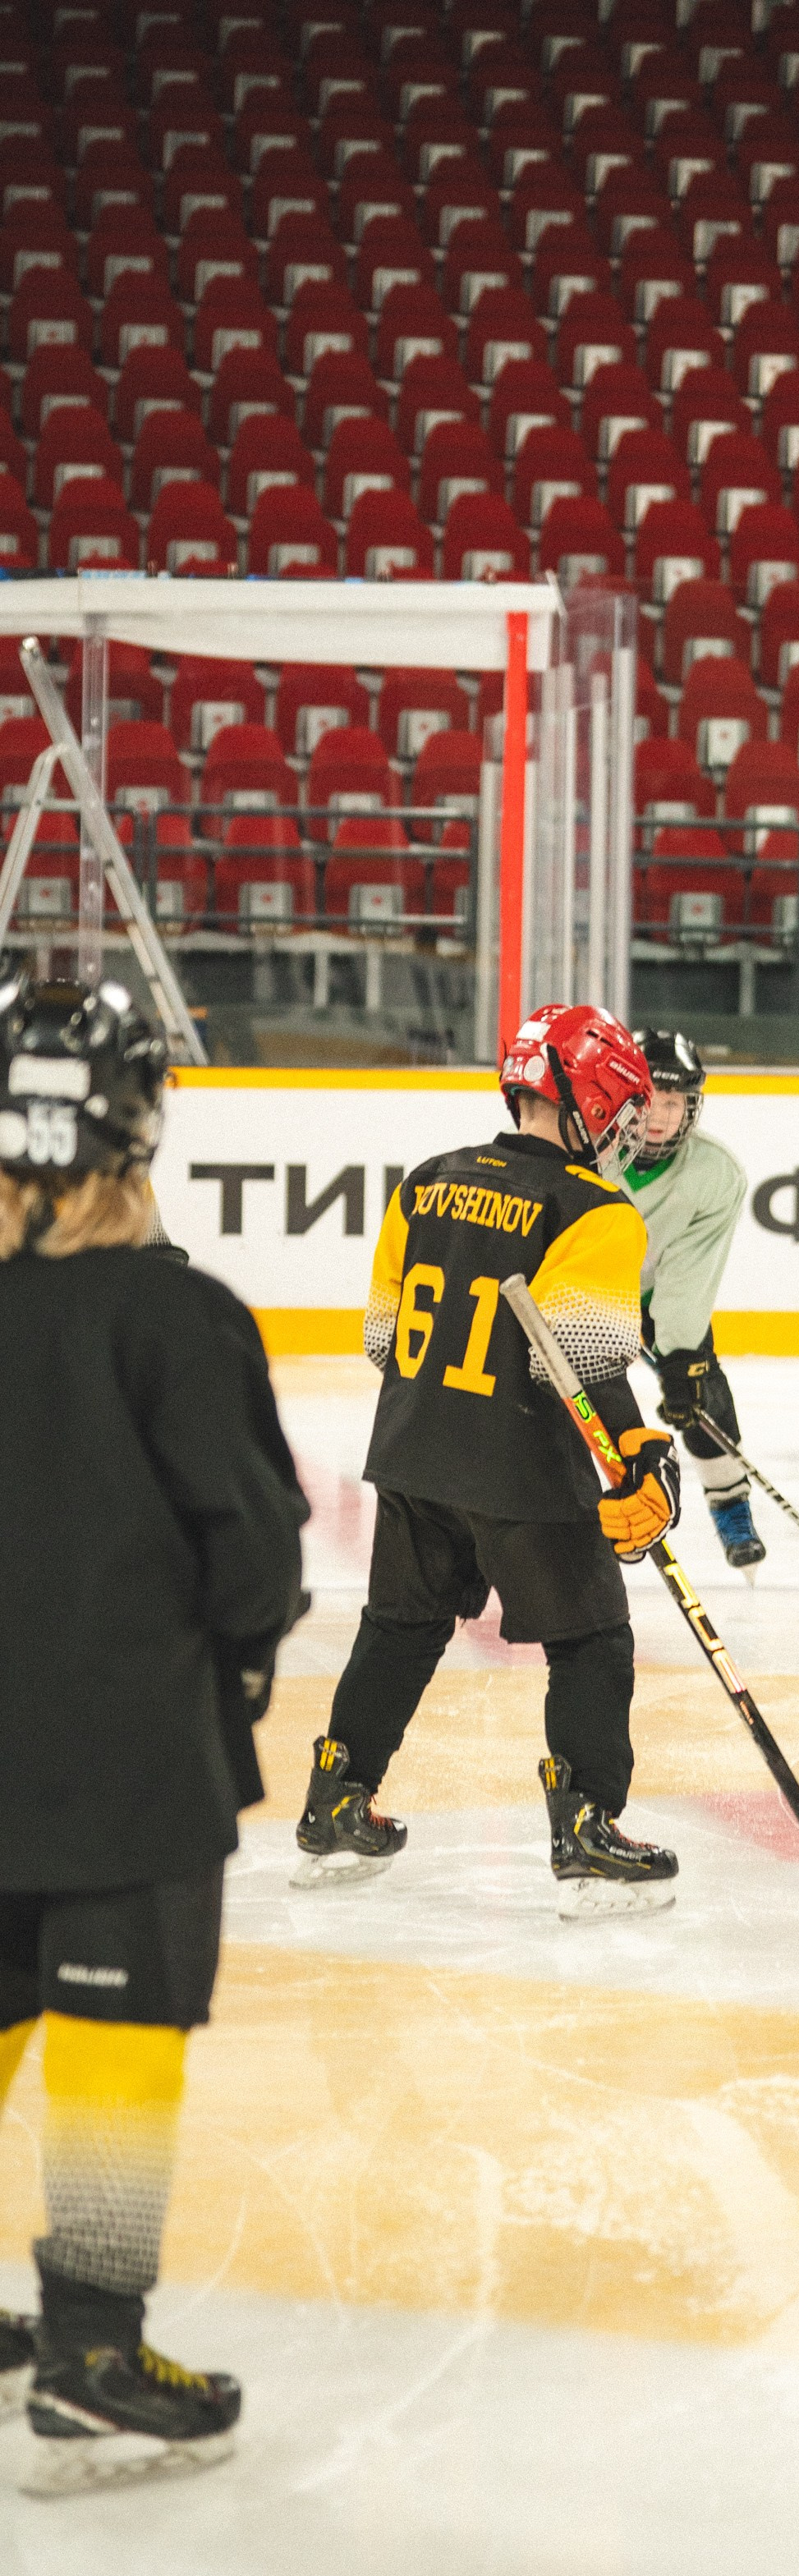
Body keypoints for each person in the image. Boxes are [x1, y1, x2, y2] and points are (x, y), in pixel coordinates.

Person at [0, 971, 307, 2489]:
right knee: (116, 2045)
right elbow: (255, 1555)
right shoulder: (180, 1316)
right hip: (131, 1761)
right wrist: (239, 1661)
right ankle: (93, 2357)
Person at [296, 1003, 683, 1911]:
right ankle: (588, 1826)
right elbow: (581, 1364)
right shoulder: (593, 1207)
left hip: (412, 1450)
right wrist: (640, 1459)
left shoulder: (426, 1181)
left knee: (401, 1624)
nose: (625, 1126)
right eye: (620, 1104)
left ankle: (335, 1799)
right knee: (591, 1636)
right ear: (586, 1095)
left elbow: (385, 1336)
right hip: (522, 1470)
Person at [597, 1024, 762, 1574]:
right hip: (578, 1293)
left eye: (676, 1101)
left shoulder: (714, 1173)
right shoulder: (584, 1148)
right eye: (651, 1099)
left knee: (700, 1390)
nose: (664, 1114)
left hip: (649, 1295)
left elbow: (690, 1274)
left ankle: (731, 1506)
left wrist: (678, 1353)